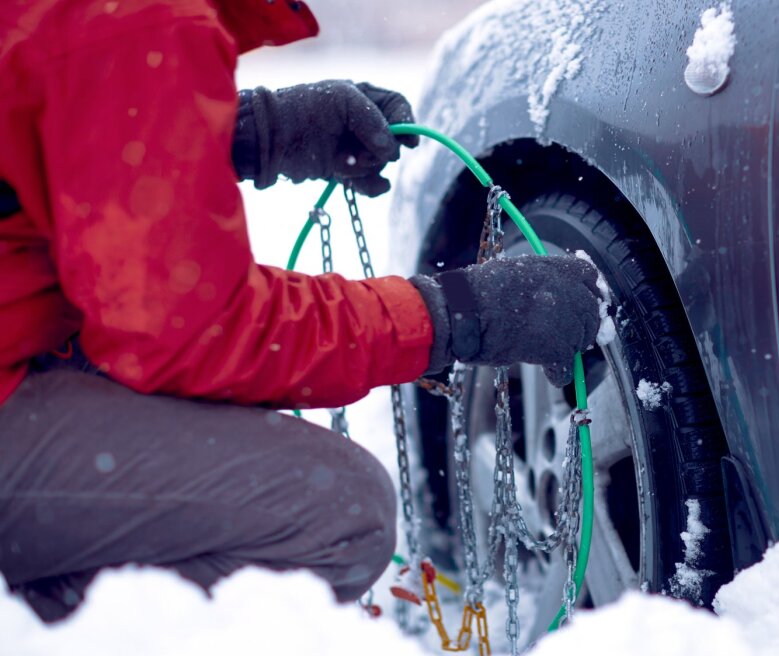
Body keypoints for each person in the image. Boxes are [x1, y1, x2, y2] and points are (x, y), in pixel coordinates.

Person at [0, 0, 602, 622]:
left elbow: (47, 115)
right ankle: (41, 623)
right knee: (338, 512)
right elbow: (198, 335)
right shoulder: (140, 16)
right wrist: (453, 315)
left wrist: (248, 133)